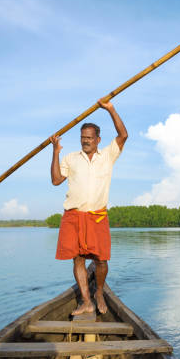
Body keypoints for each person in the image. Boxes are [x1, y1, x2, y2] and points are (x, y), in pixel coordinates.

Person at [49, 100, 127, 315]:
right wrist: (55, 151)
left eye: (89, 138)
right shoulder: (71, 158)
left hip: (97, 216)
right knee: (78, 259)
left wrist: (110, 109)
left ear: (98, 140)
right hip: (73, 215)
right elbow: (56, 180)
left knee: (101, 260)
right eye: (83, 138)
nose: (85, 142)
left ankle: (99, 291)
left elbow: (123, 136)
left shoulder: (108, 156)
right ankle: (86, 301)